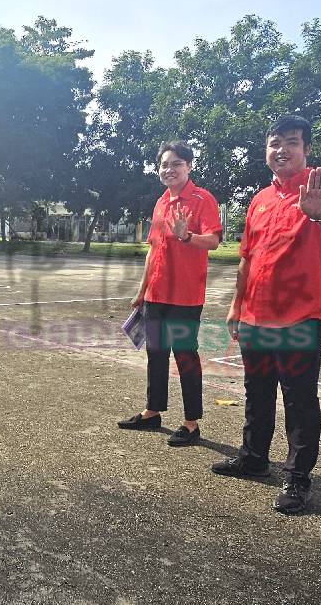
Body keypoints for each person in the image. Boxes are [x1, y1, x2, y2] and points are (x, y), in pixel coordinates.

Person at [211, 115, 321, 514]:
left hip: (304, 313)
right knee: (256, 391)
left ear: (306, 149)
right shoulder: (259, 199)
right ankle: (254, 458)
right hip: (257, 312)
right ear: (266, 150)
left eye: (292, 142)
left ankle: (297, 477)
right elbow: (246, 258)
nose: (282, 150)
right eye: (275, 142)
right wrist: (236, 306)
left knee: (298, 396)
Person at [118, 141, 222, 446]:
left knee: (185, 356)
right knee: (156, 353)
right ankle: (153, 412)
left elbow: (214, 241)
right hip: (157, 292)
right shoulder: (161, 202)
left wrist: (187, 236)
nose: (169, 169)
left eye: (176, 163)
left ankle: (191, 423)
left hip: (186, 295)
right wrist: (142, 289)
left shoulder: (203, 199)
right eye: (164, 164)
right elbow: (153, 250)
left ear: (189, 166)